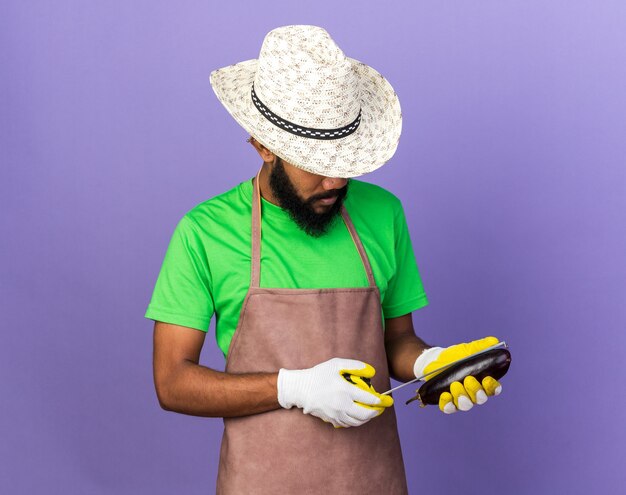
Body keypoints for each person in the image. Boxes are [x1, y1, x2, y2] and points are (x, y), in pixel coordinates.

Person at [145, 25, 504, 495]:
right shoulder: (204, 232)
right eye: (317, 161)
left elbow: (397, 340)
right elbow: (172, 382)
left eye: (345, 160)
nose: (336, 180)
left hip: (373, 479)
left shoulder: (383, 214)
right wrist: (292, 387)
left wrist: (428, 364)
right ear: (263, 144)